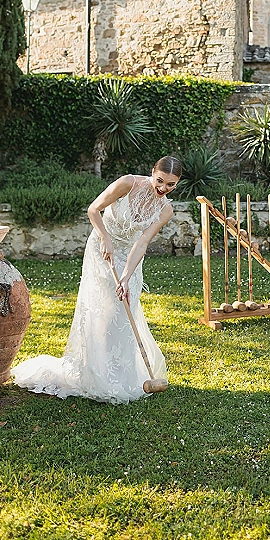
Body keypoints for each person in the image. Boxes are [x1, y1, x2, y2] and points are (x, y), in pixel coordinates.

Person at [13, 156, 182, 404]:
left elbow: (142, 242)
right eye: (160, 181)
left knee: (124, 312)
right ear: (152, 172)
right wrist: (104, 237)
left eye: (171, 185)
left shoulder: (165, 210)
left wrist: (126, 277)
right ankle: (96, 373)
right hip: (102, 248)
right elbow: (94, 209)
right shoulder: (128, 183)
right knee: (104, 310)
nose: (163, 189)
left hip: (129, 258)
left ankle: (122, 375)